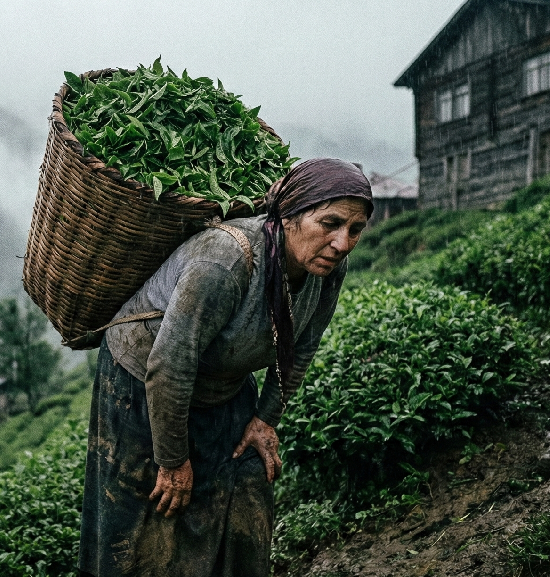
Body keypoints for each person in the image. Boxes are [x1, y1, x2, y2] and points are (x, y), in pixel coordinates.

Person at [79, 158, 373, 576]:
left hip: (225, 386)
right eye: (330, 223)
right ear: (289, 216)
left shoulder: (328, 268)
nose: (342, 243)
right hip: (142, 388)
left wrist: (265, 418)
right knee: (149, 519)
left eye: (355, 229)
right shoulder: (225, 261)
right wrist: (172, 460)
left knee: (245, 490)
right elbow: (169, 366)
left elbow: (302, 346)